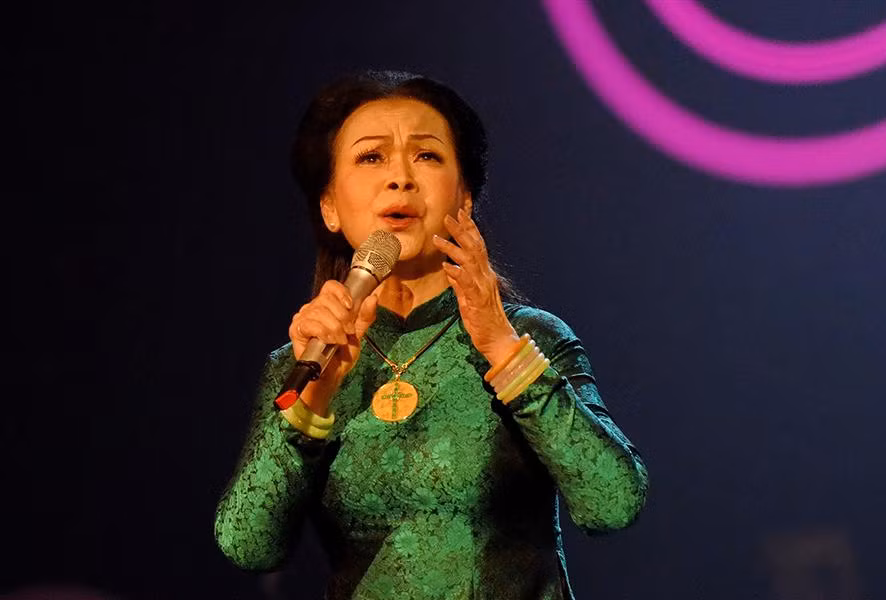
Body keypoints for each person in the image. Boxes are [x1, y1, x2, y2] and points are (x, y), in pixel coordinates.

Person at [214, 70, 649, 599]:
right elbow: (248, 546)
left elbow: (613, 505)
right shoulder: (304, 363)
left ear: (464, 197)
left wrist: (502, 349)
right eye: (371, 158)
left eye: (426, 155)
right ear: (329, 206)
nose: (400, 178)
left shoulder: (530, 338)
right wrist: (316, 397)